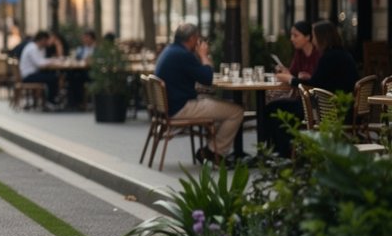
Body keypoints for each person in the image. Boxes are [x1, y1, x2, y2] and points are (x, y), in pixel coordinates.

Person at [264, 20, 358, 157]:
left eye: (314, 37)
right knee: (279, 107)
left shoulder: (328, 57)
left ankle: (284, 153)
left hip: (327, 109)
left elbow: (313, 83)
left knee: (273, 109)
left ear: (321, 38)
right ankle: (285, 151)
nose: (313, 41)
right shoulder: (343, 55)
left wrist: (290, 79)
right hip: (338, 106)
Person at [153, 23, 244, 164]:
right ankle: (215, 152)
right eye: (197, 38)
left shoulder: (170, 50)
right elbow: (207, 78)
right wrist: (203, 55)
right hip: (180, 108)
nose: (199, 41)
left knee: (221, 109)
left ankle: (209, 150)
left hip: (169, 107)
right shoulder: (183, 55)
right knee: (236, 111)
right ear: (192, 38)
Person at [19, 30, 60, 106]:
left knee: (53, 75)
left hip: (34, 73)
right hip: (28, 76)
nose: (47, 43)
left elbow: (42, 61)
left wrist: (51, 60)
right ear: (42, 40)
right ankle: (50, 101)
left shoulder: (39, 48)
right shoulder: (32, 48)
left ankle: (50, 100)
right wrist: (52, 61)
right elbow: (40, 64)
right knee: (52, 78)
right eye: (46, 40)